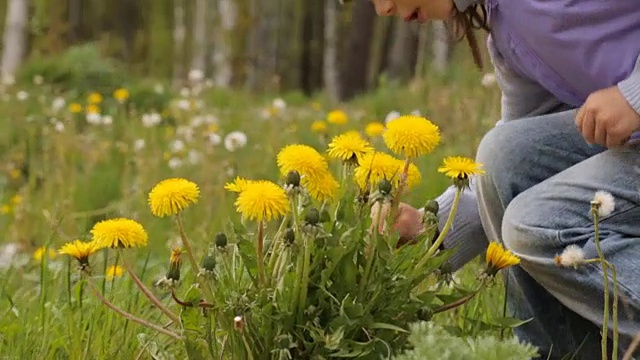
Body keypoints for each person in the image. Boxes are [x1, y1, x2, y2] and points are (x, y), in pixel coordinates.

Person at [359, 0, 640, 358]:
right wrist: (431, 228)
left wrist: (633, 94)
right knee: (503, 153)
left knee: (537, 224)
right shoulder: (507, 29)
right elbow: (512, 167)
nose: (382, 10)